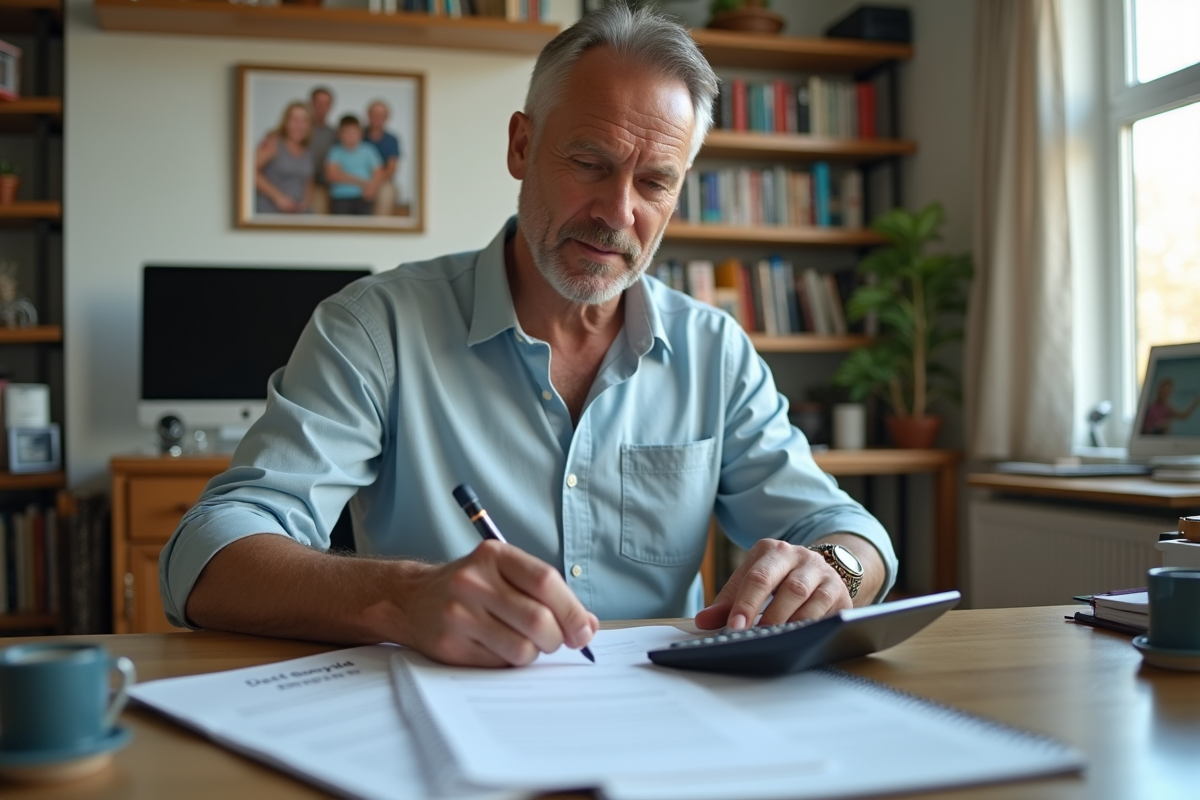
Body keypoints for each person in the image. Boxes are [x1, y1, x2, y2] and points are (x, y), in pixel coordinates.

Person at [160, 3, 897, 669]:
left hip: (665, 730)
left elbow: (846, 531)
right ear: (521, 146)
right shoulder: (376, 328)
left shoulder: (715, 351)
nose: (617, 212)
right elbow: (208, 553)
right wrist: (402, 597)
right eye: (589, 163)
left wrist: (833, 567)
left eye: (655, 182)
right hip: (442, 731)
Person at [253, 101, 313, 214]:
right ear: (285, 121)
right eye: (294, 119)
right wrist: (278, 198)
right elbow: (249, 172)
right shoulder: (273, 142)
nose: (299, 125)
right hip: (271, 210)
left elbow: (308, 180)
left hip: (299, 213)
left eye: (304, 120)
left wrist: (306, 202)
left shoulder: (307, 150)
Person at [324, 115, 383, 215]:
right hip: (341, 197)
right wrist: (360, 182)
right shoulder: (335, 151)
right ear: (339, 134)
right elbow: (332, 175)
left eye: (354, 132)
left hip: (363, 197)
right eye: (347, 132)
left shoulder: (368, 150)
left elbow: (378, 173)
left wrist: (372, 187)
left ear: (361, 134)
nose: (351, 136)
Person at [363, 99, 403, 216]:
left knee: (387, 192)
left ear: (387, 118)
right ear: (368, 115)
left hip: (382, 182)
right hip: (358, 181)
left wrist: (373, 184)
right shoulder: (358, 135)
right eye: (374, 114)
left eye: (381, 115)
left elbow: (391, 169)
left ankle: (378, 230)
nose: (377, 118)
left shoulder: (392, 140)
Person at [308, 86, 337, 215]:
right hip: (307, 183)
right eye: (318, 102)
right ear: (311, 104)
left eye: (326, 103)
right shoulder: (300, 131)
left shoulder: (336, 134)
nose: (322, 107)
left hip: (329, 185)